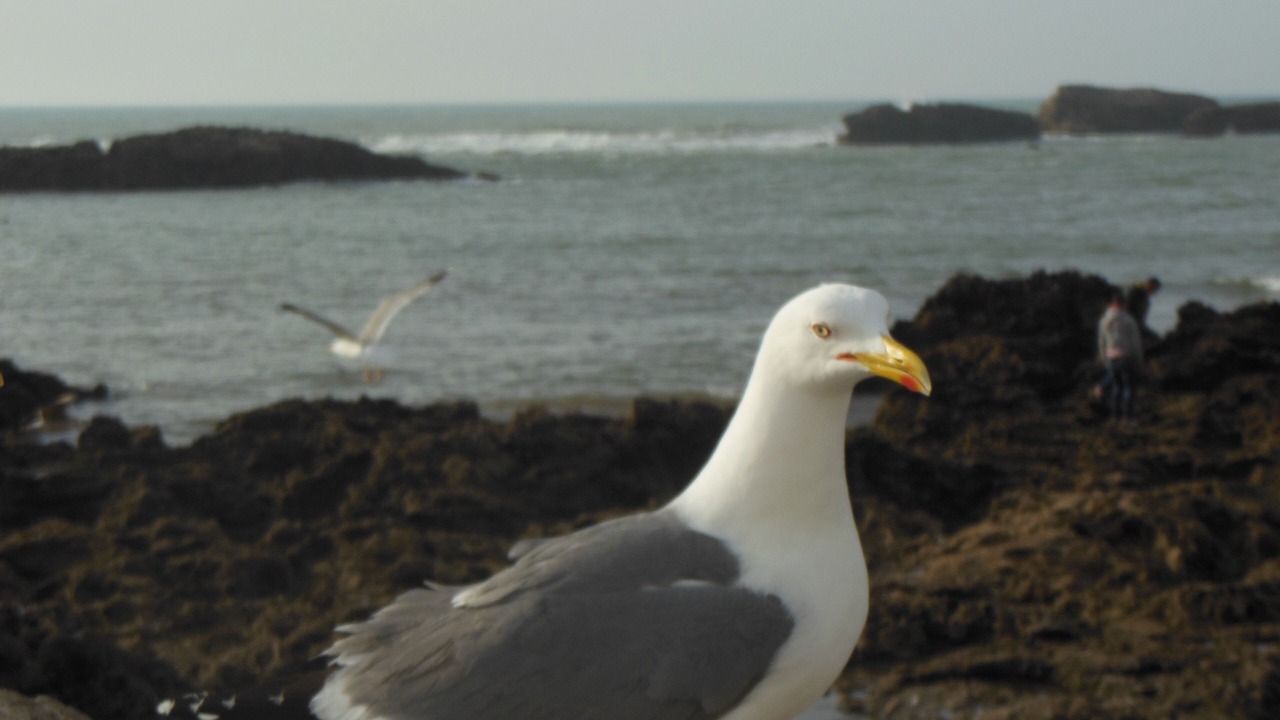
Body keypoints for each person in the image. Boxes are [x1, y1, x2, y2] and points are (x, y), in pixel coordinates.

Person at [1096, 293, 1144, 424]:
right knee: (1129, 388)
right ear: (1124, 305)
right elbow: (1135, 343)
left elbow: (1101, 342)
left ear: (1112, 304)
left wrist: (1103, 358)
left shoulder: (1104, 320)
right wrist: (1139, 361)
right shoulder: (1128, 320)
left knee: (1117, 388)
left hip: (1111, 357)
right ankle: (1128, 418)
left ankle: (1115, 416)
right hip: (1126, 357)